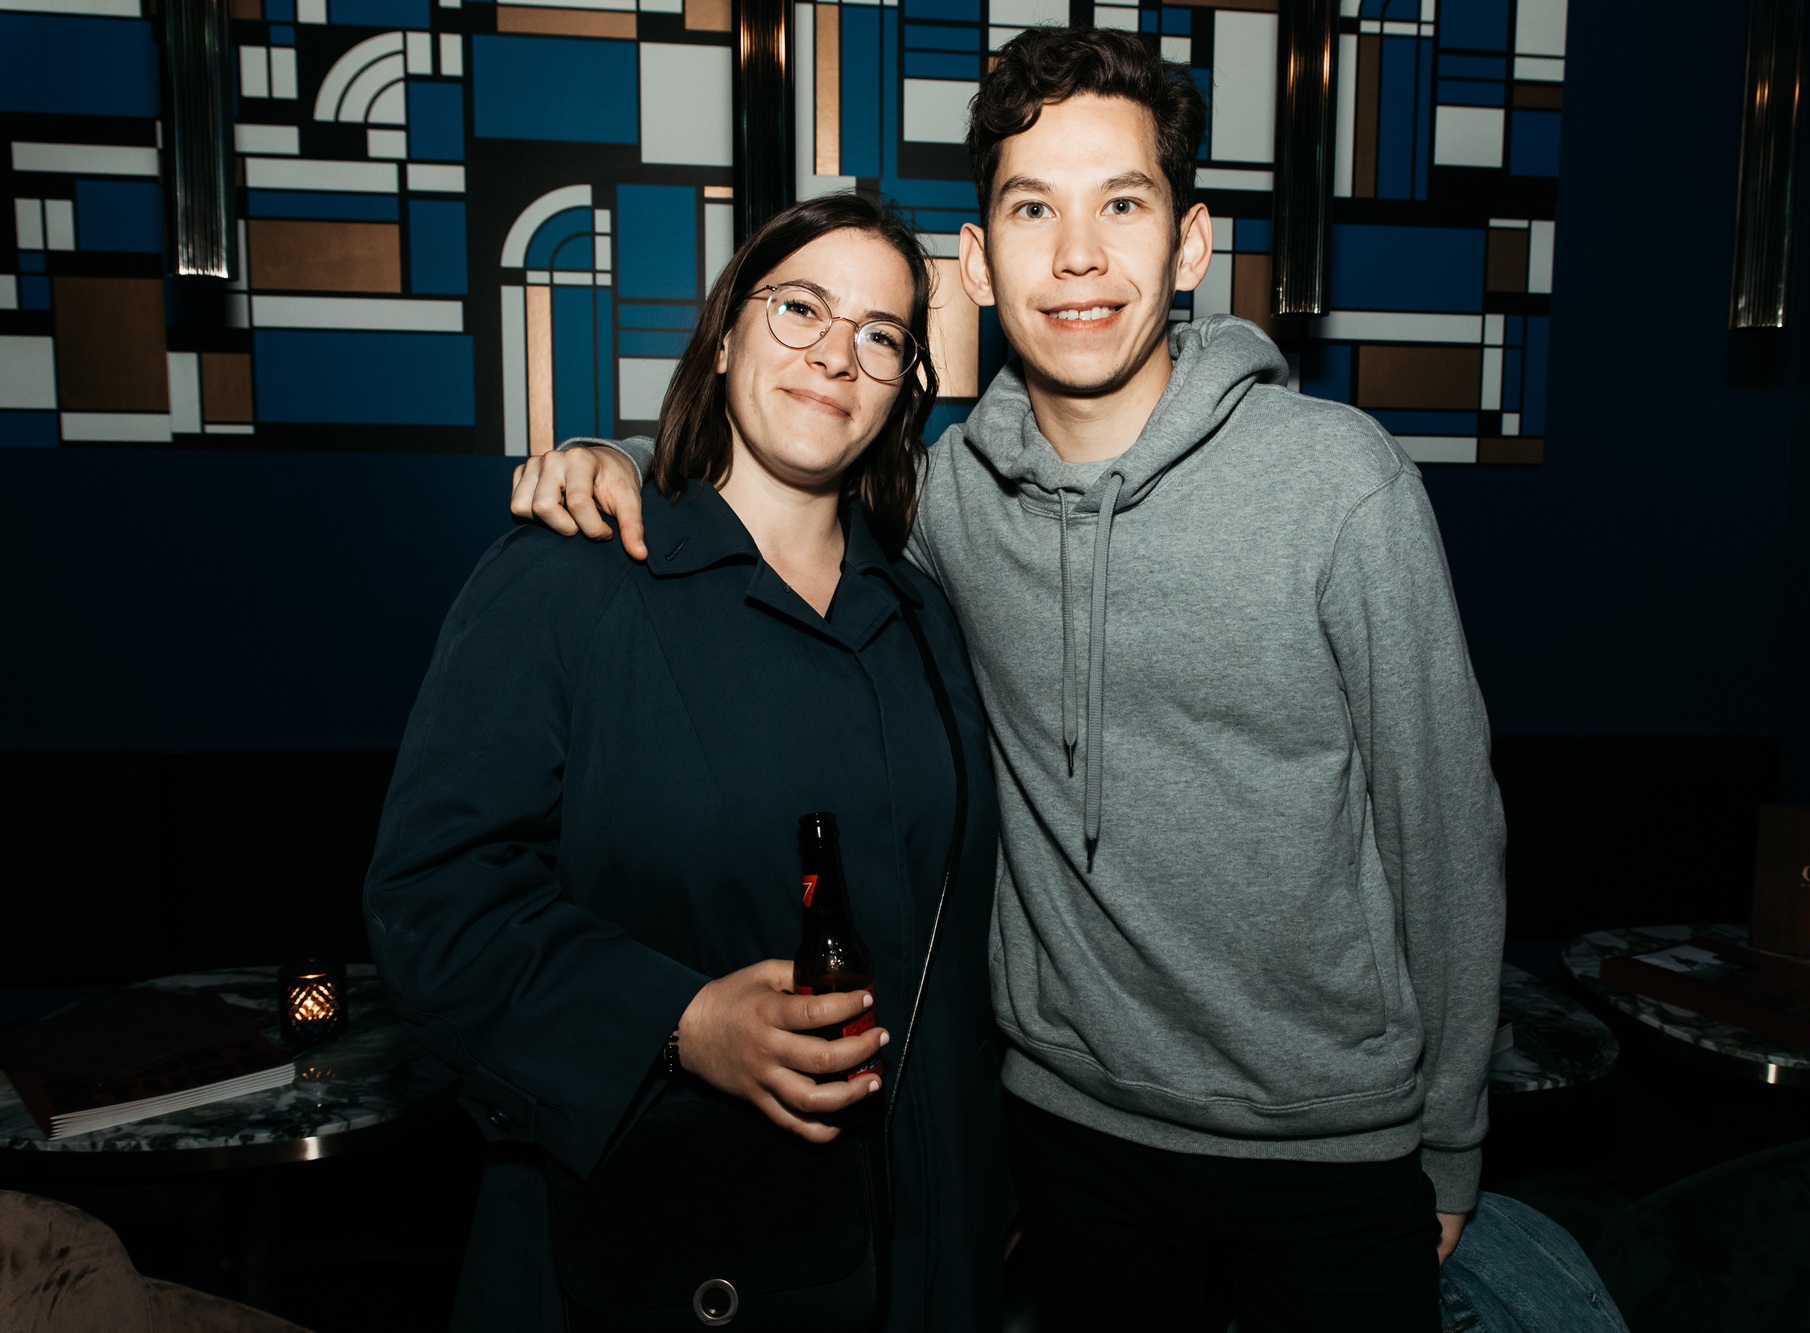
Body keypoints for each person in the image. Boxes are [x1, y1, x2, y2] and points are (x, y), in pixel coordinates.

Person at [511, 26, 1505, 1333]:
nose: (1077, 255)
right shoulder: (950, 501)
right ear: (978, 263)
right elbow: (785, 477)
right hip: (1067, 1139)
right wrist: (618, 460)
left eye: (1122, 205)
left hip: (1328, 1146)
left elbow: (1445, 825)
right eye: (1034, 209)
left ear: (1190, 244)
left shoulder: (1337, 484)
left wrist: (1449, 1139)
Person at [363, 194, 1008, 1333]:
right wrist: (682, 1020)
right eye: (800, 308)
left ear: (906, 385)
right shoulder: (570, 577)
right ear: (722, 336)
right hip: (660, 1256)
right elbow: (433, 903)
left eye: (879, 334)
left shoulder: (922, 616)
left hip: (914, 1245)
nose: (835, 355)